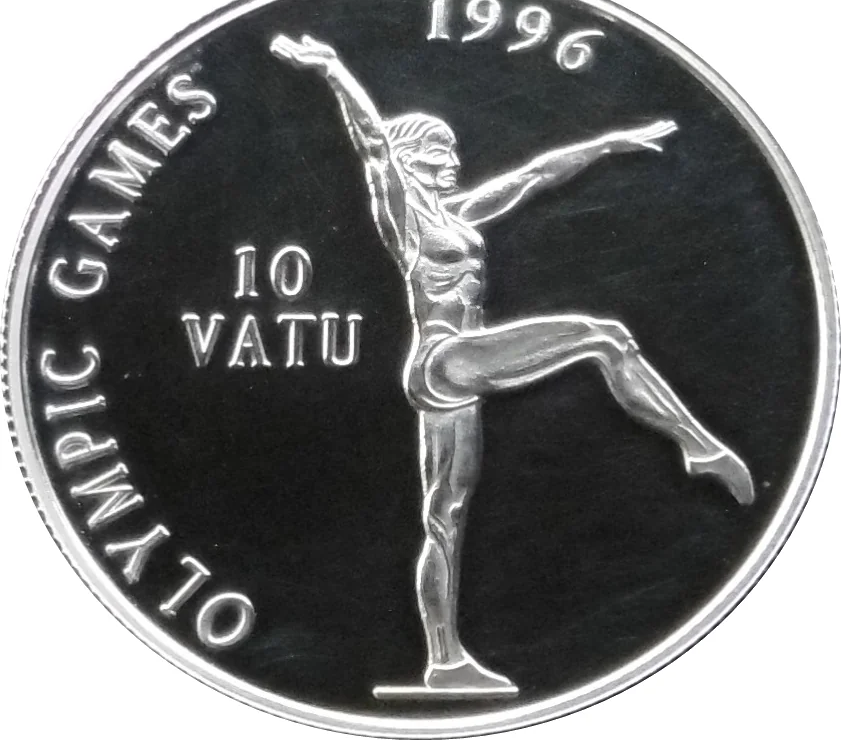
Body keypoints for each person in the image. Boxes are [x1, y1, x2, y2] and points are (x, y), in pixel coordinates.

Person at [271, 34, 755, 695]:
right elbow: (372, 146)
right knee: (602, 336)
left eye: (453, 151)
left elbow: (534, 176)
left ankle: (443, 662)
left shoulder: (457, 214)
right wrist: (335, 69)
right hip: (445, 358)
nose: (452, 162)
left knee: (445, 515)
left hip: (453, 379)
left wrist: (607, 144)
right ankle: (697, 447)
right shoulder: (406, 219)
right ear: (410, 160)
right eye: (437, 153)